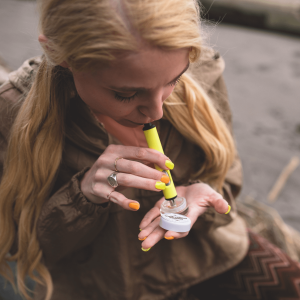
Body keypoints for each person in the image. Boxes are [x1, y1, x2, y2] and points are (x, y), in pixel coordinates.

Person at [0, 0, 299, 300]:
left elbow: (228, 185)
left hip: (207, 258)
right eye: (126, 94)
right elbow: (20, 249)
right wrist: (83, 195)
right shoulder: (13, 112)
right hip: (97, 288)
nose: (156, 111)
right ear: (60, 55)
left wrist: (202, 198)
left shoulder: (204, 72)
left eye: (174, 80)